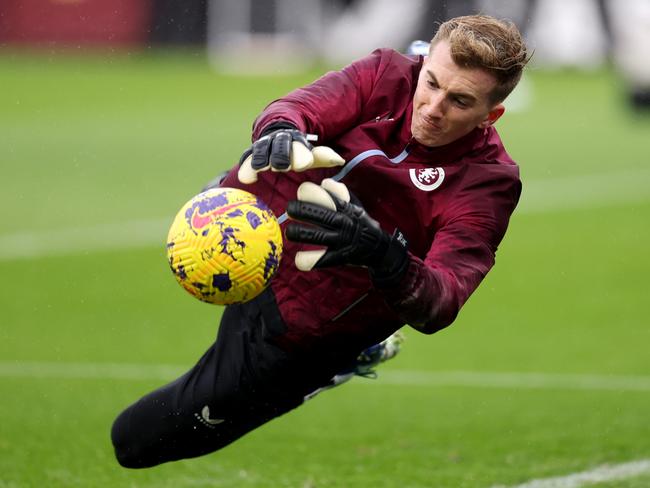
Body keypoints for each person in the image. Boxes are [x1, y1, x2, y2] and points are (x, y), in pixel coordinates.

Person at [111, 14, 530, 468]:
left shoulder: (488, 183)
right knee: (265, 156)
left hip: (304, 328)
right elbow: (298, 106)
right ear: (424, 62)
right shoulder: (388, 74)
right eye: (431, 83)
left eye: (459, 101)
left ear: (491, 115)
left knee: (134, 441)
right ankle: (226, 188)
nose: (432, 107)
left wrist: (385, 255)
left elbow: (442, 299)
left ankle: (351, 357)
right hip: (251, 231)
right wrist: (279, 129)